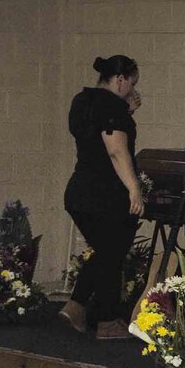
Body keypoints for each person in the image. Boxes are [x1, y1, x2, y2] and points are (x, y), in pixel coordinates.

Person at [61, 55, 145, 341]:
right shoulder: (112, 107)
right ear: (120, 79)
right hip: (104, 195)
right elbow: (115, 151)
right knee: (112, 254)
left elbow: (94, 139)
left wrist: (126, 111)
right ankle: (108, 322)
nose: (133, 90)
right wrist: (134, 188)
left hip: (78, 191)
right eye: (132, 83)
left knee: (107, 251)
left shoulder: (82, 100)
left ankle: (76, 307)